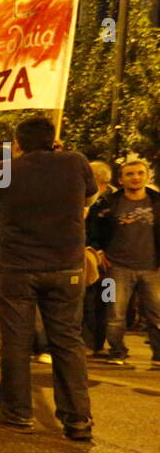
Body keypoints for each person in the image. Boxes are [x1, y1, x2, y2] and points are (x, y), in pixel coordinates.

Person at [0, 115, 95, 440]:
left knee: (16, 342)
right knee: (68, 342)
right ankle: (78, 420)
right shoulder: (76, 162)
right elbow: (88, 199)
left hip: (17, 268)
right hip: (66, 267)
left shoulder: (4, 169)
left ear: (18, 143)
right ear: (53, 139)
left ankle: (17, 413)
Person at [92, 156, 160, 368]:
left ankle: (158, 355)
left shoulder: (157, 201)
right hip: (116, 269)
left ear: (147, 176)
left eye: (140, 173)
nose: (135, 177)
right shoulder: (108, 203)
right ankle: (116, 352)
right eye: (129, 174)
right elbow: (91, 228)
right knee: (114, 312)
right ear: (120, 179)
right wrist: (98, 251)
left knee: (157, 313)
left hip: (153, 269)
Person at [82, 160, 116, 357]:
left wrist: (105, 251)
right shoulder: (90, 200)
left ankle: (102, 343)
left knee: (106, 302)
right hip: (91, 259)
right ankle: (92, 343)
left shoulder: (113, 201)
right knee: (90, 302)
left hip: (110, 263)